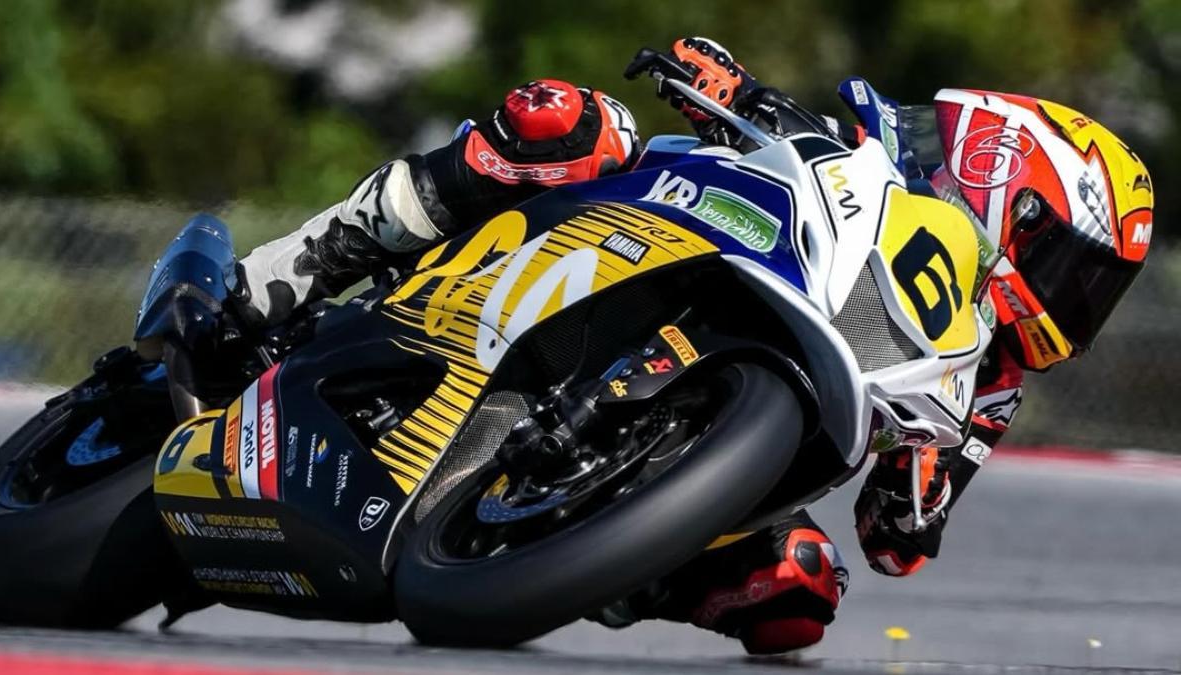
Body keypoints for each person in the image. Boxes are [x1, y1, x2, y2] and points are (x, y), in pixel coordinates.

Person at [231, 38, 1155, 654]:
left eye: (1098, 290)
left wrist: (916, 494)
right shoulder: (876, 149)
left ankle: (575, 549)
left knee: (795, 592)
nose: (1080, 304)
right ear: (1012, 193)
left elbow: (895, 546)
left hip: (734, 423)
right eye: (1077, 269)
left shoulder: (988, 378)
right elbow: (760, 111)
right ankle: (302, 266)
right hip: (649, 240)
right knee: (569, 121)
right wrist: (721, 82)